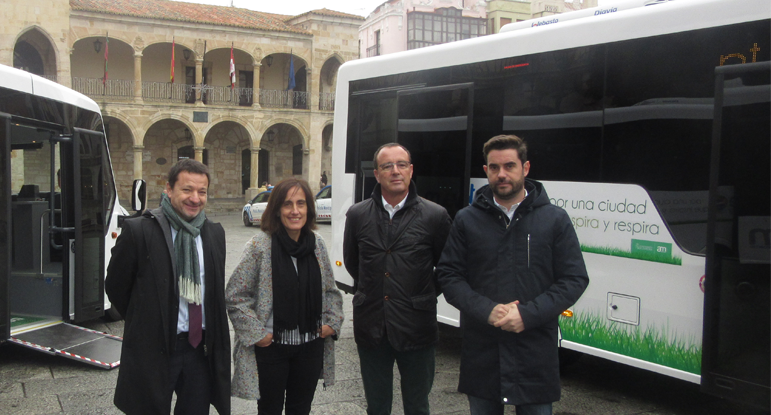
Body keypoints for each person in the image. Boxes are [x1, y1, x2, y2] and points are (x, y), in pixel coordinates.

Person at [436, 135, 589, 415]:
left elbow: (574, 279)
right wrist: (487, 310)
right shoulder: (466, 219)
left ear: (526, 168)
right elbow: (449, 276)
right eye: (494, 168)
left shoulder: (554, 219)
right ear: (486, 171)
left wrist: (528, 315)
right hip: (483, 352)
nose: (502, 174)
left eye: (509, 166)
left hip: (535, 353)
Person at [105, 159, 231, 415]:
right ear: (169, 189)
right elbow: (116, 286)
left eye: (202, 191)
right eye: (187, 190)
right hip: (155, 350)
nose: (195, 198)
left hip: (199, 350)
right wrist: (146, 321)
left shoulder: (213, 233)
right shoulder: (140, 230)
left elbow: (214, 293)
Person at [343, 143, 453, 415]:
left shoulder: (435, 216)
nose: (395, 171)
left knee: (417, 405)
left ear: (411, 170)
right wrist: (377, 290)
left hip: (417, 327)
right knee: (377, 406)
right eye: (387, 166)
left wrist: (421, 295)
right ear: (376, 174)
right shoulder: (357, 215)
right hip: (372, 326)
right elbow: (353, 262)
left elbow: (447, 268)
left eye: (401, 164)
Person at [226, 178, 344, 415]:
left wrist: (332, 322)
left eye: (301, 203)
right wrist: (258, 335)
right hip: (272, 348)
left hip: (310, 345)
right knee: (269, 410)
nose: (295, 211)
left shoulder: (317, 244)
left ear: (309, 208)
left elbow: (330, 290)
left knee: (300, 409)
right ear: (277, 209)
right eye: (287, 204)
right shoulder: (260, 246)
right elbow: (236, 296)